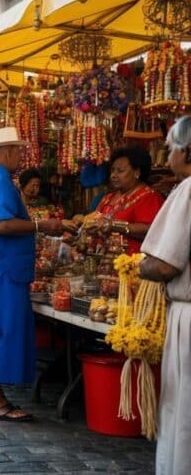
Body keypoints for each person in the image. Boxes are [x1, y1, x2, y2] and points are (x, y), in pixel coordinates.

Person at [0, 128, 64, 421]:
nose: (21, 156)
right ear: (6, 151)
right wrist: (40, 225)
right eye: (18, 151)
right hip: (2, 269)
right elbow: (3, 225)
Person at [138, 116, 191, 475]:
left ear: (187, 151)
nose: (166, 155)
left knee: (183, 409)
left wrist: (139, 266)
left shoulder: (187, 190)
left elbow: (166, 264)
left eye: (170, 147)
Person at [86, 145, 165, 254]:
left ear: (137, 172)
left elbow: (152, 230)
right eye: (112, 170)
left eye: (120, 170)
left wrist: (113, 225)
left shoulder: (149, 197)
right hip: (102, 261)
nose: (113, 175)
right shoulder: (108, 198)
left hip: (130, 265)